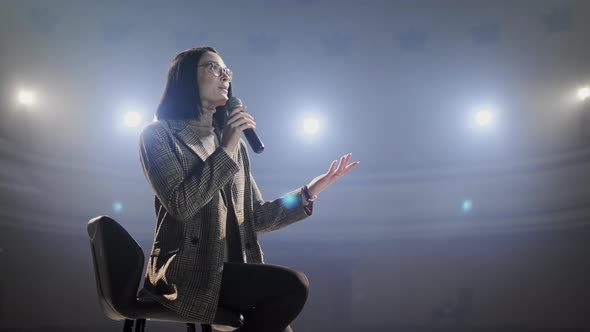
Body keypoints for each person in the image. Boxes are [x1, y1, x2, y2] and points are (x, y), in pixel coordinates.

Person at [138, 46, 359, 332]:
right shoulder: (159, 135)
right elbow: (182, 204)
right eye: (213, 67)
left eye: (226, 70)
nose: (225, 76)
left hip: (232, 269)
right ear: (185, 77)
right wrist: (227, 146)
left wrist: (308, 192)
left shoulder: (235, 145)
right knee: (292, 286)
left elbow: (255, 217)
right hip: (189, 273)